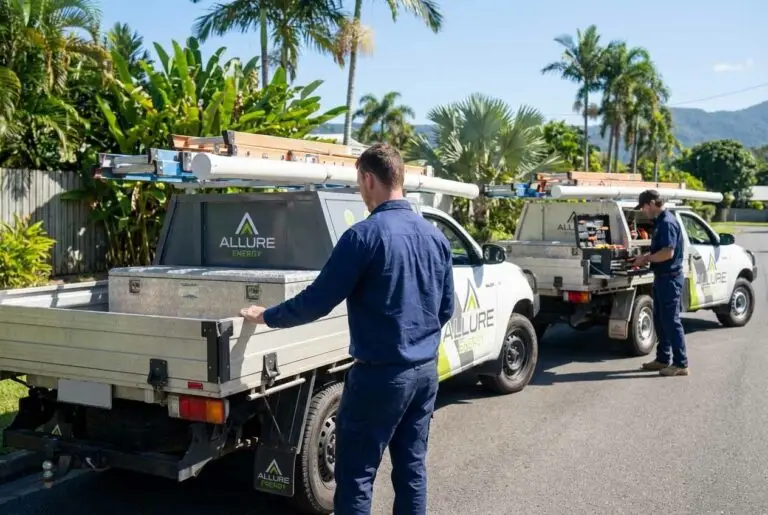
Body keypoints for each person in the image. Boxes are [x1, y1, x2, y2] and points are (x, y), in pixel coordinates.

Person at [239, 143, 455, 514]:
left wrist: (267, 316)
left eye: (359, 183)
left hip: (380, 378)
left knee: (355, 476)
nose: (360, 192)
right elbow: (446, 307)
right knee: (412, 470)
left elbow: (318, 300)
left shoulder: (363, 236)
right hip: (424, 373)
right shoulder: (435, 237)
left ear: (369, 179)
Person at [631, 189, 689, 377]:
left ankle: (680, 363)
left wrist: (645, 258)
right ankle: (663, 359)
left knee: (671, 321)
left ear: (651, 204)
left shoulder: (667, 223)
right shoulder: (660, 222)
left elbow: (667, 253)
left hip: (670, 279)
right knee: (661, 320)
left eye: (643, 207)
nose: (643, 211)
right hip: (662, 278)